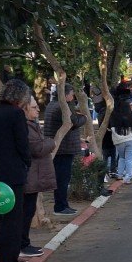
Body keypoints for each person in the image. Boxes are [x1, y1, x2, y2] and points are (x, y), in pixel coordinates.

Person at [0, 79, 32, 262]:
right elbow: (23, 144)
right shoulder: (16, 114)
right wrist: (26, 163)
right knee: (14, 220)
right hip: (13, 174)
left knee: (0, 218)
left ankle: (2, 260)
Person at [43, 83, 87, 216]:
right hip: (63, 148)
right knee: (62, 178)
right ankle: (60, 206)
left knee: (62, 178)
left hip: (60, 147)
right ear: (65, 94)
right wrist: (84, 117)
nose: (73, 97)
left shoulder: (52, 105)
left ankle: (63, 204)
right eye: (72, 94)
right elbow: (75, 122)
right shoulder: (61, 107)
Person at [21, 96, 56, 259]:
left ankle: (24, 243)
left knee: (29, 211)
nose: (38, 110)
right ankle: (22, 244)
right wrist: (51, 143)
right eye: (34, 107)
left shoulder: (32, 125)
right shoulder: (25, 126)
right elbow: (38, 147)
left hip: (35, 175)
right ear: (25, 108)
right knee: (25, 211)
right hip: (30, 175)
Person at [109, 99, 132, 184]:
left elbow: (112, 128)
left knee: (121, 157)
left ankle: (119, 175)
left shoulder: (115, 116)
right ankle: (128, 177)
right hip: (131, 140)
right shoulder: (131, 116)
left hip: (119, 141)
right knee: (129, 159)